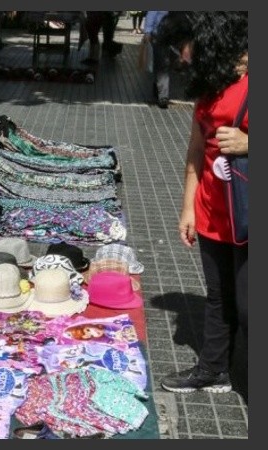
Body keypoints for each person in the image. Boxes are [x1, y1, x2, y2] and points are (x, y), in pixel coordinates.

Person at [157, 12, 248, 394]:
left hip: (248, 215)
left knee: (248, 305)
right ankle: (213, 369)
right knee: (218, 296)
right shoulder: (208, 85)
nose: (181, 55)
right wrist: (188, 207)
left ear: (209, 40)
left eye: (184, 46)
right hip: (213, 210)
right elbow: (196, 149)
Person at [142, 11, 170, 109]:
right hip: (159, 36)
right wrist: (148, 32)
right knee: (162, 65)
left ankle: (157, 88)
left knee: (160, 64)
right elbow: (151, 14)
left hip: (171, 36)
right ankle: (163, 97)